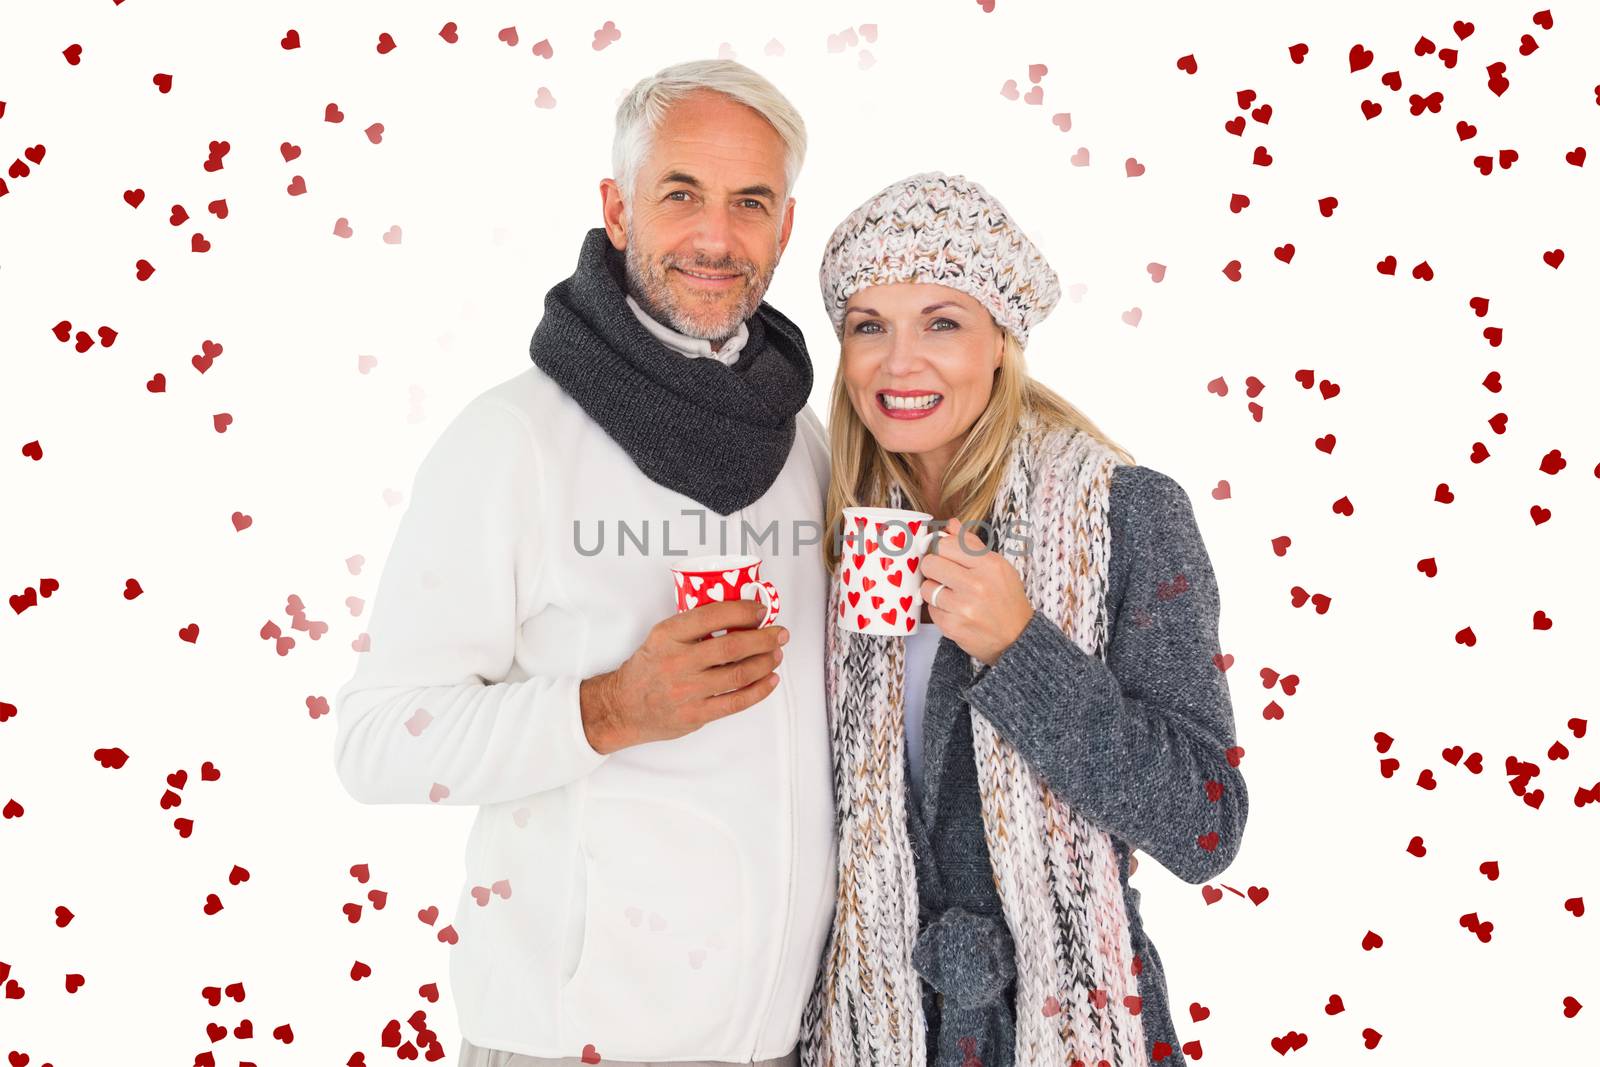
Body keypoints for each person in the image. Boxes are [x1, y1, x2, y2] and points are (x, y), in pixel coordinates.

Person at [332, 60, 836, 1067]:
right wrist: (607, 707)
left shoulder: (804, 438)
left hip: (783, 1040)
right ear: (616, 207)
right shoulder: (512, 440)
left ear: (784, 228)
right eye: (680, 193)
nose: (714, 237)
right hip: (570, 1043)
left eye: (750, 203)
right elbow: (377, 740)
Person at [798, 173, 1249, 1067]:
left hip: (1064, 1025)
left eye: (942, 322)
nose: (899, 363)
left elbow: (1207, 824)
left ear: (1001, 341)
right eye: (869, 326)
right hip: (866, 1026)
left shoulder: (1127, 513)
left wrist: (1021, 650)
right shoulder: (829, 525)